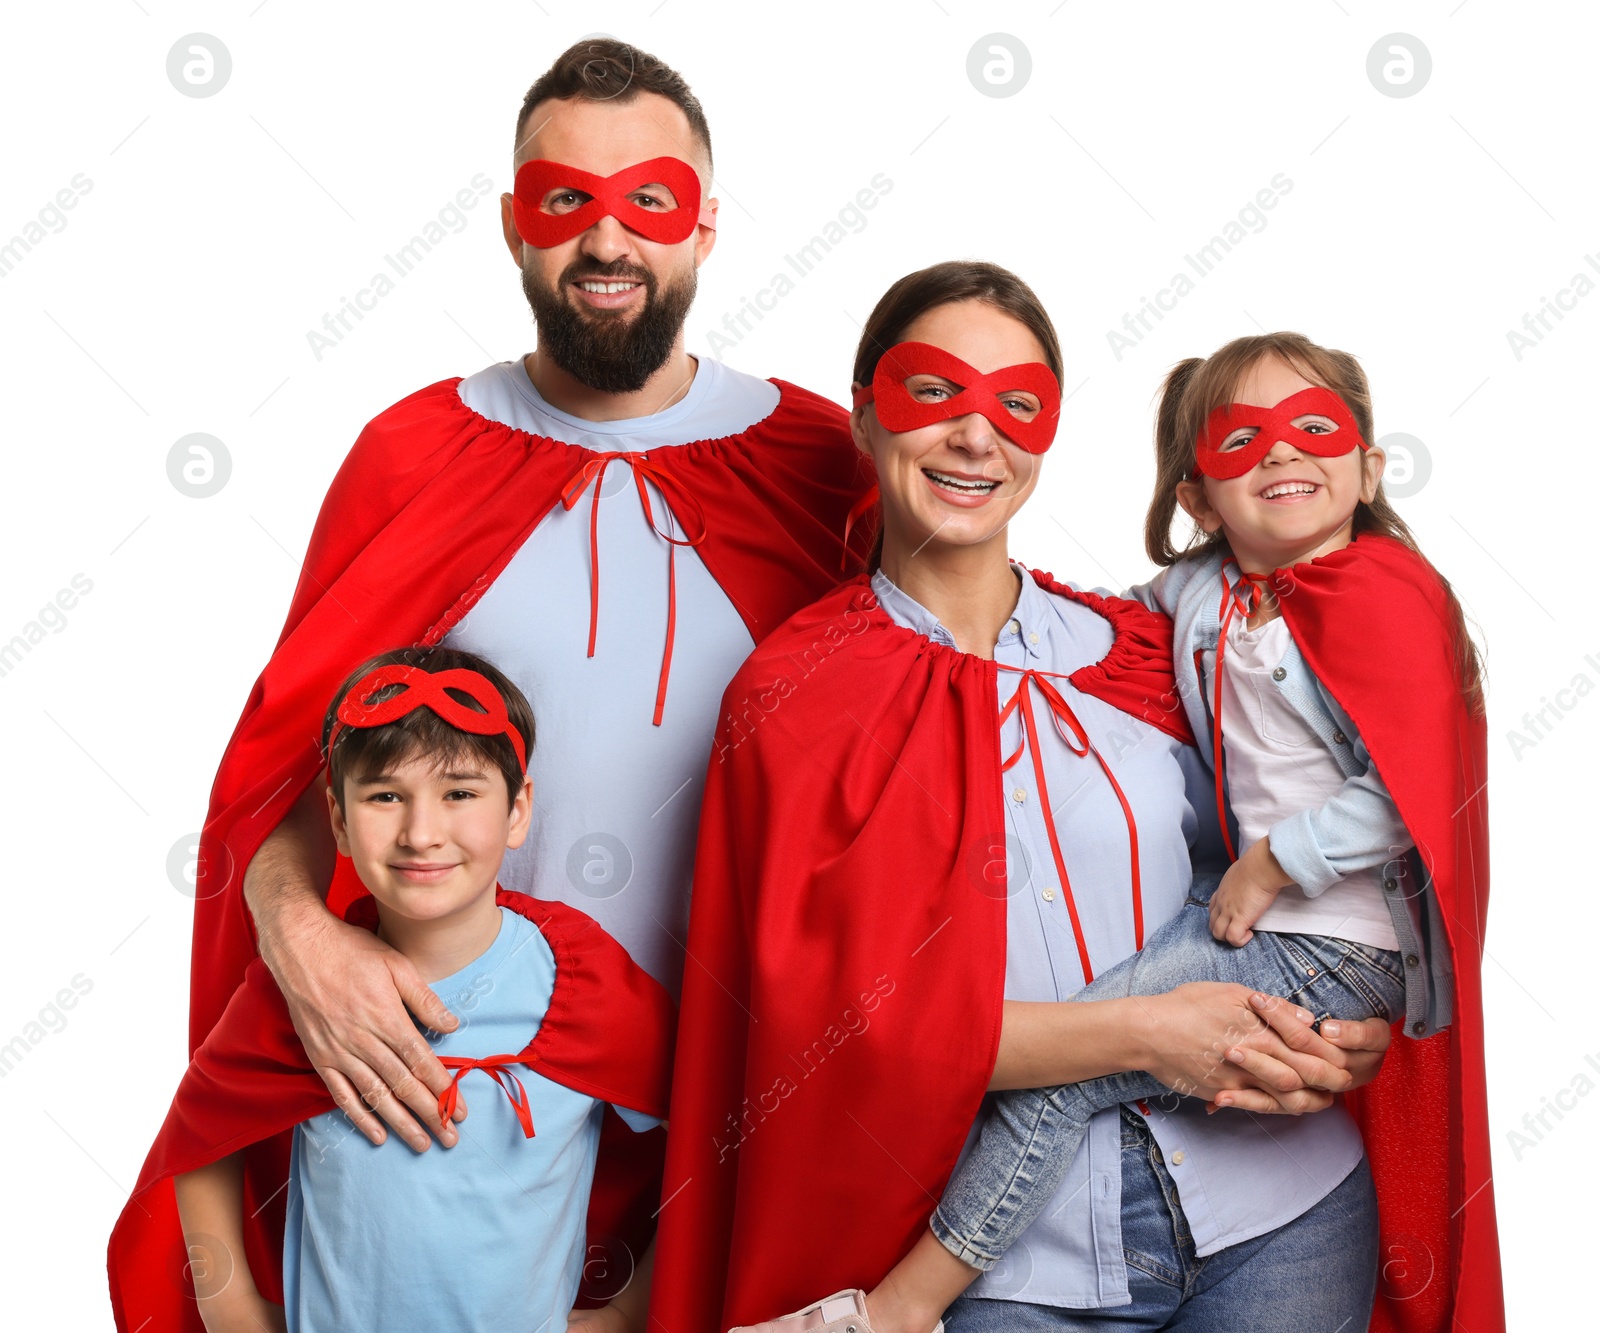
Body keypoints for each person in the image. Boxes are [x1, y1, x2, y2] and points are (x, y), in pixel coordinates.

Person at [136, 38, 873, 1330]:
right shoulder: (413, 457)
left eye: (647, 201)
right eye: (562, 201)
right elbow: (280, 782)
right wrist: (300, 934)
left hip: (722, 1114)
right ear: (510, 226)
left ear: (705, 223)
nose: (606, 241)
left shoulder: (819, 466)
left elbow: (911, 758)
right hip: (432, 1121)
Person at [649, 262, 1401, 1333]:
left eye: (1015, 403)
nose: (974, 434)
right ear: (864, 416)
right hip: (1016, 1270)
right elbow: (824, 1034)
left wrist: (1342, 1025)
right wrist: (1146, 1031)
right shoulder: (796, 694)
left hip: (1283, 1212)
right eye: (932, 394)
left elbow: (1290, 853)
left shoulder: (1148, 649)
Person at [108, 648, 675, 1333]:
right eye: (384, 795)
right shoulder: (311, 989)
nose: (421, 832)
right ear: (339, 821)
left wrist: (624, 1312)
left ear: (519, 809)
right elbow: (199, 1134)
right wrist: (227, 1304)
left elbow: (704, 1138)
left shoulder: (579, 980)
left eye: (460, 792)